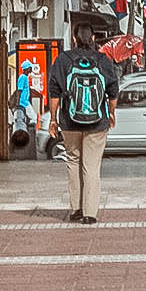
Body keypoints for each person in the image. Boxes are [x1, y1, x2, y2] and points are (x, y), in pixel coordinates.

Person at [46, 24, 121, 224]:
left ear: (74, 38)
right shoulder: (103, 60)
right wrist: (111, 112)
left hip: (70, 122)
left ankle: (76, 209)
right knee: (91, 166)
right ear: (94, 37)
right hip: (97, 122)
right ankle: (90, 213)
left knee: (73, 162)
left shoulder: (63, 60)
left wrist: (53, 118)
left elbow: (54, 91)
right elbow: (113, 90)